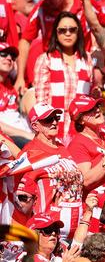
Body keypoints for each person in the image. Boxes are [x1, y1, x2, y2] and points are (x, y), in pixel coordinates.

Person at [20, 103, 84, 241]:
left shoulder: (61, 146)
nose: (54, 122)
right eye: (48, 120)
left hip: (75, 231)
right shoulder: (30, 153)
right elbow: (22, 199)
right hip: (48, 234)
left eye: (56, 117)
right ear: (35, 126)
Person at [33, 12, 92, 141]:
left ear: (78, 32)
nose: (68, 33)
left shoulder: (87, 59)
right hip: (54, 127)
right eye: (62, 30)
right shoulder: (45, 59)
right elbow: (41, 103)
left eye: (72, 29)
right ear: (56, 33)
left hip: (80, 128)